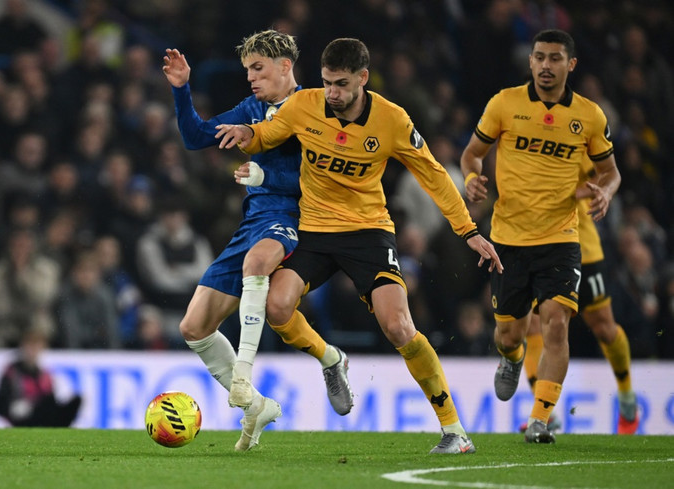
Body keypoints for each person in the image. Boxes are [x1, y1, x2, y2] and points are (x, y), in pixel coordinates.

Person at [216, 37, 503, 454]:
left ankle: (454, 430)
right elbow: (266, 135)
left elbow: (434, 175)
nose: (331, 93)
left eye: (341, 84)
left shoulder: (392, 119)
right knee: (276, 307)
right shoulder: (303, 105)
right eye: (327, 82)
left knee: (398, 326)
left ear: (363, 78)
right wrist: (247, 133)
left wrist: (468, 231)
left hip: (368, 232)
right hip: (314, 229)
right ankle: (331, 359)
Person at [460, 29, 621, 443]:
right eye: (539, 57)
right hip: (509, 238)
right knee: (509, 334)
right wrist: (472, 178)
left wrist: (606, 191)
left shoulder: (589, 116)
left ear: (571, 64)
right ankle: (511, 358)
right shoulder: (504, 103)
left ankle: (540, 419)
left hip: (560, 238)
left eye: (554, 58)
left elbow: (611, 171)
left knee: (556, 324)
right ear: (530, 61)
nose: (546, 65)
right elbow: (472, 153)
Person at [163, 30, 306, 451]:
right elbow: (196, 138)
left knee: (256, 265)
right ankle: (257, 406)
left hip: (295, 216)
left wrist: (266, 175)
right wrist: (182, 89)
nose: (250, 78)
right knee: (193, 327)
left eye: (258, 68)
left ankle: (243, 374)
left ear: (285, 66)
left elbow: (323, 176)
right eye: (247, 70)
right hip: (254, 221)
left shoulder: (313, 107)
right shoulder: (252, 108)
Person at [520, 159, 639, 435]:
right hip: (538, 246)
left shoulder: (579, 140)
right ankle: (544, 413)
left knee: (604, 327)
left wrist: (570, 195)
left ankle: (626, 397)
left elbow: (607, 175)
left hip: (581, 245)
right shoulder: (524, 140)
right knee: (533, 326)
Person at [0, 326, 82, 427]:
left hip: (42, 415)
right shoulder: (12, 372)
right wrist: (12, 408)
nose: (32, 350)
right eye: (30, 345)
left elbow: (51, 404)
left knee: (76, 400)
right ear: (23, 346)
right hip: (23, 420)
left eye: (36, 345)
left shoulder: (45, 375)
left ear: (42, 347)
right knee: (44, 407)